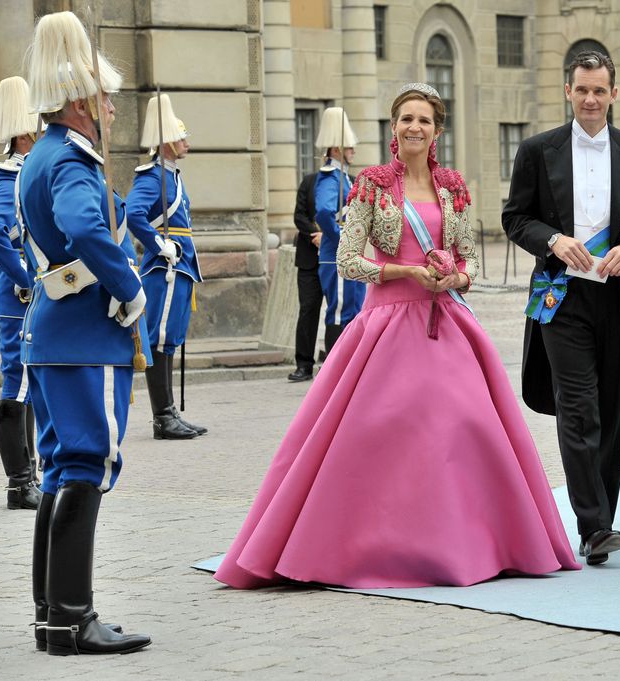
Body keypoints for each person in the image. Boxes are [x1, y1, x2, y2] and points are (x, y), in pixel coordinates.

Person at [214, 83, 579, 589]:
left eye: (424, 120)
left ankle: (472, 541)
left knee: (465, 426)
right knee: (377, 436)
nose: (415, 127)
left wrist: (457, 278)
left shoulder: (453, 186)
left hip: (446, 322)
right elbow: (347, 260)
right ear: (394, 126)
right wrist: (404, 274)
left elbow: (469, 259)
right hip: (386, 325)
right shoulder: (371, 184)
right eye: (406, 118)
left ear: (437, 130)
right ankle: (366, 544)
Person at [502, 51, 620, 565]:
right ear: (568, 92)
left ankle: (605, 517)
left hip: (616, 295)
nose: (591, 99)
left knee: (613, 409)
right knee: (578, 408)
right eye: (582, 90)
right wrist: (552, 240)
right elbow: (515, 218)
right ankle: (593, 527)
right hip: (560, 297)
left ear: (613, 94)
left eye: (600, 91)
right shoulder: (537, 151)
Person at [20, 10, 151, 654]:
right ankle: (75, 618)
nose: (113, 108)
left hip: (53, 337)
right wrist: (129, 288)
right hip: (83, 335)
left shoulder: (43, 155)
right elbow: (83, 228)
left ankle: (53, 619)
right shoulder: (71, 159)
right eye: (106, 97)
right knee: (85, 466)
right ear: (80, 102)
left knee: (59, 470)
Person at [0, 76, 42, 510]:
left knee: (30, 386)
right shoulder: (10, 179)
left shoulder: (28, 175)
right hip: (20, 300)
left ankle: (30, 473)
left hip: (32, 297)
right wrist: (21, 274)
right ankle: (19, 484)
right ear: (23, 135)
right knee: (17, 386)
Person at [126, 93, 206, 439]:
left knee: (169, 340)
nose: (186, 142)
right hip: (166, 269)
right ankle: (162, 417)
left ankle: (170, 412)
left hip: (179, 265)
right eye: (181, 136)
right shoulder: (152, 177)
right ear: (167, 142)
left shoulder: (171, 175)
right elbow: (133, 213)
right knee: (159, 341)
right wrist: (159, 244)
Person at [315, 108, 366, 356]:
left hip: (345, 254)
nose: (353, 151)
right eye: (348, 148)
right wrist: (342, 238)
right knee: (340, 312)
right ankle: (334, 366)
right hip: (336, 254)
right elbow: (324, 212)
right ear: (336, 150)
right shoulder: (331, 177)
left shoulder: (342, 177)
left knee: (354, 309)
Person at [288, 169, 324, 382]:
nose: (352, 152)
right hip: (309, 257)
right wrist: (315, 234)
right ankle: (304, 364)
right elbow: (299, 215)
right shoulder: (310, 181)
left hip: (337, 257)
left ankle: (334, 363)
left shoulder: (350, 181)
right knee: (308, 309)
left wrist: (329, 236)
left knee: (338, 313)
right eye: (349, 149)